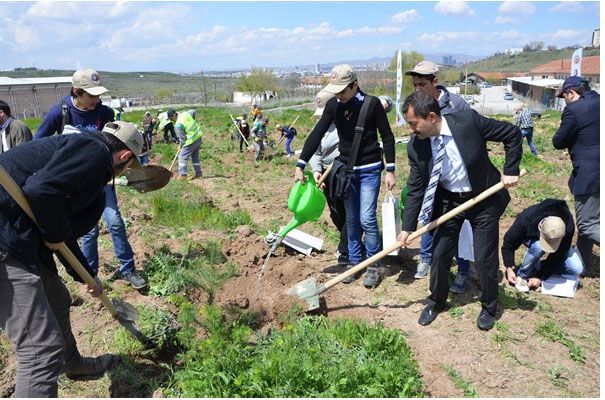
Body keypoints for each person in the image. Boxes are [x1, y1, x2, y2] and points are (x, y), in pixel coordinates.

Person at [0, 121, 144, 397]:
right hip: (6, 239)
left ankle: (73, 363)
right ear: (125, 157)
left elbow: (59, 227)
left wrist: (87, 276)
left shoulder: (77, 151)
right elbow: (41, 191)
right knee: (41, 350)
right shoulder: (95, 152)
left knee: (57, 296)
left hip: (20, 234)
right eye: (128, 166)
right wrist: (55, 234)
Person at [397, 91, 521, 331]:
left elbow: (512, 134)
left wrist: (511, 169)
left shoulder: (468, 122)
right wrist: (407, 228)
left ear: (431, 117)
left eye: (414, 123)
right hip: (449, 201)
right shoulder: (417, 146)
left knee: (485, 256)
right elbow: (415, 187)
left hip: (483, 197)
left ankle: (489, 307)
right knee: (440, 253)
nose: (412, 129)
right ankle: (436, 301)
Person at [35, 68, 146, 289]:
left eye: (98, 94)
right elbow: (39, 143)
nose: (97, 99)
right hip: (73, 184)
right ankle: (89, 274)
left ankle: (128, 270)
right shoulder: (61, 112)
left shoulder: (104, 113)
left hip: (102, 179)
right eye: (91, 95)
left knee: (115, 222)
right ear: (76, 91)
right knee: (88, 229)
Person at [295, 64, 396, 289]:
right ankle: (354, 261)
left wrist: (390, 169)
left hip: (370, 169)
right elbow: (317, 133)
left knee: (367, 218)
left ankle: (373, 264)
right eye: (336, 91)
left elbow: (387, 137)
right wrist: (301, 164)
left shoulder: (372, 105)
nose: (339, 95)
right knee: (351, 219)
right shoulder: (334, 105)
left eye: (343, 90)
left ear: (354, 85)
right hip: (347, 171)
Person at [404, 60, 473, 293]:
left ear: (435, 82)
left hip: (458, 181)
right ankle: (426, 258)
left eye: (422, 84)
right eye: (414, 85)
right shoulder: (417, 105)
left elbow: (472, 136)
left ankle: (463, 270)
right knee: (429, 216)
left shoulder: (456, 105)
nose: (418, 90)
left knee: (462, 230)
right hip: (432, 177)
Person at [552, 76, 599, 272]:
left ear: (572, 93)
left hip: (590, 174)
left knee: (588, 225)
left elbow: (558, 141)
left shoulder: (574, 109)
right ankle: (582, 265)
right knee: (592, 220)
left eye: (564, 96)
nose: (565, 100)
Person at [502, 199, 582, 293]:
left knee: (576, 269)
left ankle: (539, 266)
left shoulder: (567, 227)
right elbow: (508, 243)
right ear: (540, 229)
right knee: (538, 247)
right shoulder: (527, 218)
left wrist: (540, 276)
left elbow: (559, 254)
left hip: (561, 241)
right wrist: (509, 267)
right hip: (531, 237)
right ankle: (523, 275)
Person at [309, 90, 350, 267]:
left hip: (344, 171)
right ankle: (350, 240)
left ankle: (346, 249)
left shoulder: (346, 123)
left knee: (349, 212)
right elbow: (314, 151)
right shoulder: (319, 126)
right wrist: (317, 169)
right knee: (335, 212)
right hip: (326, 173)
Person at [174, 109, 203, 180]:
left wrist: (180, 146)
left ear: (174, 115)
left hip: (191, 140)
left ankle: (183, 175)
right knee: (195, 156)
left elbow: (183, 139)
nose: (171, 120)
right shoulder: (185, 114)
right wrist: (192, 119)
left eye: (171, 118)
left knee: (182, 156)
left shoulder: (178, 125)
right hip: (198, 137)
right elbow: (193, 111)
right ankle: (198, 174)